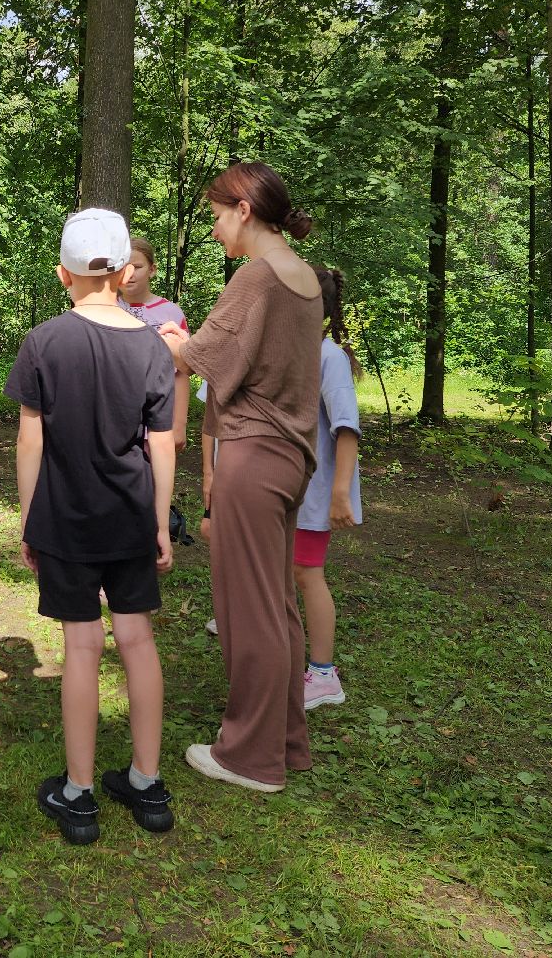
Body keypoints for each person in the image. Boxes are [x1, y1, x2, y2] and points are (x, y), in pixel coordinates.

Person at [6, 208, 178, 845]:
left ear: (64, 274)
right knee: (137, 642)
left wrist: (30, 520)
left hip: (69, 521)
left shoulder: (44, 341)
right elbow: (163, 445)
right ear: (127, 271)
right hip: (132, 515)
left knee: (82, 648)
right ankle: (147, 783)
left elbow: (31, 444)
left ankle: (79, 795)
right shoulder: (151, 344)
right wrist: (160, 521)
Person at [159, 161, 322, 794]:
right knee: (278, 607)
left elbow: (205, 359)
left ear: (244, 211)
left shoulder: (256, 279)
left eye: (218, 216)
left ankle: (249, 758)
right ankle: (285, 743)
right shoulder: (304, 276)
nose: (216, 229)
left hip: (252, 458)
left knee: (248, 612)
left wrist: (175, 339)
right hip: (290, 459)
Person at [297, 267, 363, 710]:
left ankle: (323, 675)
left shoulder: (328, 357)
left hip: (317, 491)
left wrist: (340, 492)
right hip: (290, 490)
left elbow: (346, 428)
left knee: (307, 574)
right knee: (286, 572)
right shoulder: (291, 352)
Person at [119, 236, 191, 449]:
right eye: (123, 267)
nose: (129, 274)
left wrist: (179, 424)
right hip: (114, 418)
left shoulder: (171, 313)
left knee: (154, 480)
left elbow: (182, 371)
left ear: (152, 269)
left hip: (157, 421)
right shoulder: (106, 308)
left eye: (137, 266)